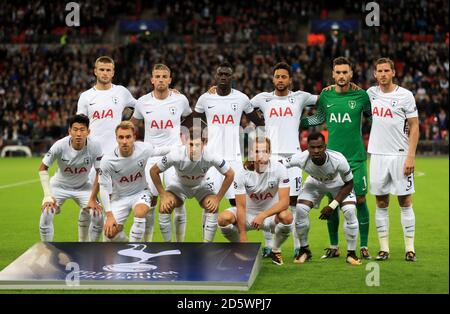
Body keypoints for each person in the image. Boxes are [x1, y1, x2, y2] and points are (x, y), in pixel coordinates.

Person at [301, 56, 372, 260]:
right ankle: (334, 246)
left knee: (359, 199)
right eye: (338, 72)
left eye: (345, 72)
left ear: (351, 74)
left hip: (356, 158)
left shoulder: (362, 95)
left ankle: (364, 246)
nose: (341, 76)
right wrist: (299, 122)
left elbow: (372, 117)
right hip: (332, 159)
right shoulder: (326, 96)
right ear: (333, 74)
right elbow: (319, 118)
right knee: (332, 199)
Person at [250, 62, 318, 259]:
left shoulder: (300, 97)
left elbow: (325, 99)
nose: (280, 80)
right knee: (268, 203)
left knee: (295, 204)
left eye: (284, 77)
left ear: (290, 79)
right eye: (277, 76)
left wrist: (338, 88)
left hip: (294, 158)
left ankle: (298, 247)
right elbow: (242, 105)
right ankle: (270, 247)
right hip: (271, 158)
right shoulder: (263, 98)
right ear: (273, 79)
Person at [192, 62, 264, 232]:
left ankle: (238, 241)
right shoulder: (205, 98)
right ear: (216, 76)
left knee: (237, 202)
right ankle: (206, 244)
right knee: (209, 203)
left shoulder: (241, 98)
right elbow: (194, 121)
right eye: (220, 74)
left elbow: (259, 121)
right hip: (211, 159)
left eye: (227, 74)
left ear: (233, 77)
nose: (223, 77)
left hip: (234, 159)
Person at [131, 64, 192, 242]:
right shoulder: (142, 102)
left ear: (170, 80)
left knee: (178, 202)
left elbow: (190, 117)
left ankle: (180, 244)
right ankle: (147, 243)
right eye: (157, 76)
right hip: (151, 157)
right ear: (152, 80)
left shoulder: (180, 100)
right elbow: (132, 123)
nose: (161, 79)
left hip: (174, 156)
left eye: (164, 76)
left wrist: (184, 137)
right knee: (150, 202)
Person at [281, 132, 361, 265]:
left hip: (338, 184)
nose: (316, 151)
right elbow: (280, 163)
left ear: (325, 147)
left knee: (350, 210)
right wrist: (257, 165)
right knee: (300, 209)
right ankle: (304, 250)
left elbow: (349, 184)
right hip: (315, 183)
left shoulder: (338, 159)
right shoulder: (301, 157)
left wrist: (332, 205)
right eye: (312, 147)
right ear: (307, 147)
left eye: (319, 147)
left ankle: (351, 254)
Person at [367, 58, 419, 262]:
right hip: (377, 155)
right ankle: (384, 249)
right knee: (381, 201)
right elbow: (348, 89)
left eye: (386, 70)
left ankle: (410, 248)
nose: (382, 74)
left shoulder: (405, 95)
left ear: (393, 72)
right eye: (379, 71)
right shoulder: (370, 94)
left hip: (399, 155)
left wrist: (411, 156)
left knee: (405, 201)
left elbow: (414, 126)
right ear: (374, 74)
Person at [218, 137, 293, 266]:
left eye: (265, 151)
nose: (261, 155)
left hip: (270, 217)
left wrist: (263, 215)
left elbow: (285, 202)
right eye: (257, 151)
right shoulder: (242, 173)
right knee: (223, 219)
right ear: (252, 153)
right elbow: (240, 207)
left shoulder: (279, 169)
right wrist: (243, 237)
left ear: (269, 153)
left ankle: (275, 249)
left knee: (287, 217)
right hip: (247, 215)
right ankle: (239, 248)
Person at [150, 128, 234, 242]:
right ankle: (168, 246)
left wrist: (217, 198)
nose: (193, 149)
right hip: (179, 185)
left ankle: (207, 247)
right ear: (185, 142)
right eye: (191, 144)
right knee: (164, 206)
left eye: (198, 145)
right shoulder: (175, 154)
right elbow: (153, 171)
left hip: (202, 186)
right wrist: (163, 195)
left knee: (212, 206)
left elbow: (230, 174)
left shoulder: (211, 155)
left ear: (204, 144)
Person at [99, 121, 169, 242]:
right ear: (116, 139)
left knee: (140, 212)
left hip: (140, 193)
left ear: (134, 137)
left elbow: (162, 150)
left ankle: (134, 250)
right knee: (109, 234)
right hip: (119, 197)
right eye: (121, 137)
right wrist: (109, 215)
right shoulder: (107, 160)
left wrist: (183, 148)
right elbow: (104, 188)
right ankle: (128, 243)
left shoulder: (144, 148)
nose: (124, 141)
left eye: (128, 137)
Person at [38, 114, 103, 242]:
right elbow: (42, 168)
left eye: (82, 129)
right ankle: (46, 248)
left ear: (88, 132)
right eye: (75, 129)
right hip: (59, 186)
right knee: (47, 212)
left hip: (84, 187)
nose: (78, 133)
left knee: (97, 214)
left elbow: (99, 172)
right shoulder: (60, 145)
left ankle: (91, 248)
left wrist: (93, 198)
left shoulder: (95, 146)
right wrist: (47, 196)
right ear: (69, 131)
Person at [77, 56, 137, 156]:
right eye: (102, 69)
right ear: (95, 71)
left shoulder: (121, 92)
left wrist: (168, 95)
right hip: (92, 153)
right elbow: (79, 124)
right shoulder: (85, 96)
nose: (105, 73)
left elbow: (142, 105)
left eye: (108, 70)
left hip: (115, 152)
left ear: (113, 73)